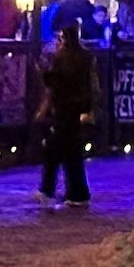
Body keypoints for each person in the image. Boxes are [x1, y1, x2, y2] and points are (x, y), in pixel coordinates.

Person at [38, 23, 96, 206]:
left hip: (64, 108)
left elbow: (56, 82)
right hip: (77, 107)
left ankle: (49, 190)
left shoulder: (61, 58)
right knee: (71, 151)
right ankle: (76, 193)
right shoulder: (85, 57)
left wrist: (43, 73)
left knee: (55, 150)